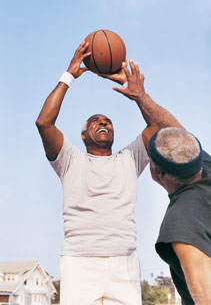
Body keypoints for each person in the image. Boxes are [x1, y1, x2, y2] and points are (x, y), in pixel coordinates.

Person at [36, 40, 182, 305]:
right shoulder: (69, 160)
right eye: (95, 121)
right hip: (79, 262)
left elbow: (157, 131)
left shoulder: (129, 157)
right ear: (83, 135)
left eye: (108, 121)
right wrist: (68, 75)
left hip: (124, 261)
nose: (103, 122)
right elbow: (44, 122)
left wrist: (139, 94)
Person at [147, 127, 211, 305]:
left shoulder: (181, 222)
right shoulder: (207, 169)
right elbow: (177, 132)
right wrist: (141, 98)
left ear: (157, 172)